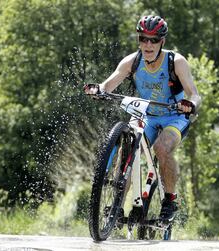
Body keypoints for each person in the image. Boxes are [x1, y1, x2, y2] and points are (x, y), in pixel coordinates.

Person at [84, 15, 201, 222]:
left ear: (162, 41)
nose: (148, 44)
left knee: (162, 148)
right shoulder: (132, 61)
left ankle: (170, 200)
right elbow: (108, 85)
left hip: (174, 116)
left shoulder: (176, 62)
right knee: (125, 152)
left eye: (154, 40)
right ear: (138, 40)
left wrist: (190, 104)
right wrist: (98, 90)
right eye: (143, 39)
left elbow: (194, 94)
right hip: (146, 115)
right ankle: (117, 205)